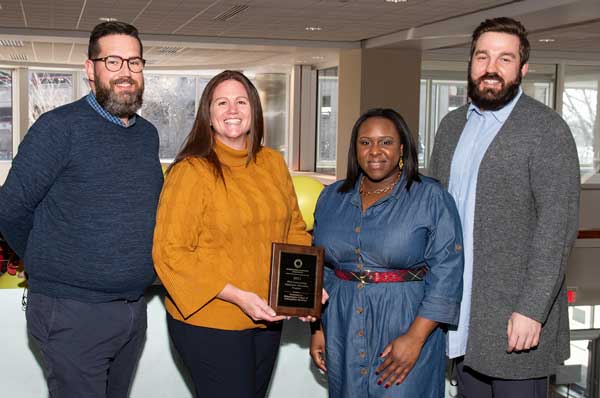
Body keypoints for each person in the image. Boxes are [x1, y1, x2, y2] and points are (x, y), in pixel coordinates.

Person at [0, 21, 163, 398]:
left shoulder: (146, 135)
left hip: (132, 310)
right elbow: (10, 208)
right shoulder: (58, 128)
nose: (126, 72)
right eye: (113, 61)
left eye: (135, 62)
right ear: (90, 70)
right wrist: (45, 258)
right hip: (71, 312)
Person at [429, 17, 580, 398]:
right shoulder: (450, 127)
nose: (491, 69)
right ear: (470, 63)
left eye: (505, 59)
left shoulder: (547, 130)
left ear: (523, 69)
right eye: (483, 57)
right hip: (461, 312)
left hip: (516, 319)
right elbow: (434, 212)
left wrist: (532, 309)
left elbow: (556, 227)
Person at [152, 70, 311, 398]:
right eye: (221, 103)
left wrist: (306, 287)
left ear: (254, 109)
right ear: (208, 115)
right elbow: (170, 253)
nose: (232, 110)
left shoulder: (273, 164)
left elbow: (294, 229)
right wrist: (238, 296)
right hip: (211, 323)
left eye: (241, 101)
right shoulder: (191, 171)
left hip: (267, 319)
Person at [309, 108, 464, 397]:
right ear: (355, 149)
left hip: (405, 323)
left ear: (402, 148)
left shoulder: (431, 198)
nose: (375, 151)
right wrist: (318, 328)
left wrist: (416, 338)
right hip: (341, 326)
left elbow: (448, 272)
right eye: (365, 142)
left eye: (386, 142)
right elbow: (323, 268)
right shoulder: (331, 197)